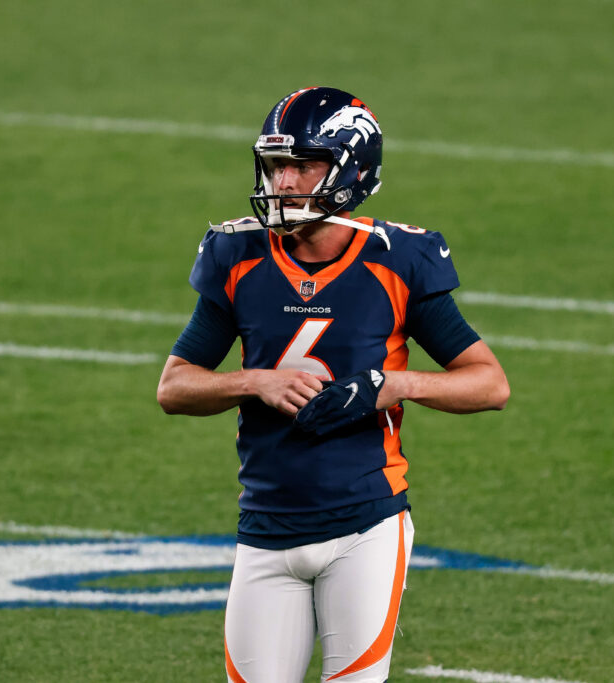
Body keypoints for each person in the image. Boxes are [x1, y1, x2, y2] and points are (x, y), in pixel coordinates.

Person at [157, 86, 509, 683]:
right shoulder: (238, 253)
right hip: (264, 527)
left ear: (353, 169)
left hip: (364, 528)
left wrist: (391, 386)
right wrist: (254, 382)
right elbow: (174, 387)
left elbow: (488, 383)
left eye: (303, 164)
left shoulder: (397, 259)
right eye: (276, 165)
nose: (285, 181)